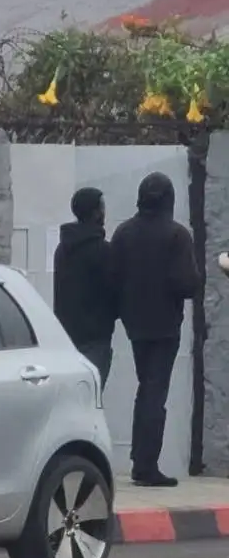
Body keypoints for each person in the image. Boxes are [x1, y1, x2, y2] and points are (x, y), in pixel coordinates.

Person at [109, 172, 201, 488]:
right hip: (164, 325)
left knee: (145, 388)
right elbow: (187, 284)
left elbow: (114, 278)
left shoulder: (123, 233)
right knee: (154, 392)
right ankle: (146, 465)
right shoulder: (177, 235)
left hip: (135, 323)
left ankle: (141, 459)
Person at [53, 187, 116, 390]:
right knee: (92, 398)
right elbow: (113, 291)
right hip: (95, 337)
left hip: (66, 335)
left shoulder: (62, 249)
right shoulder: (102, 251)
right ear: (96, 212)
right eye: (102, 207)